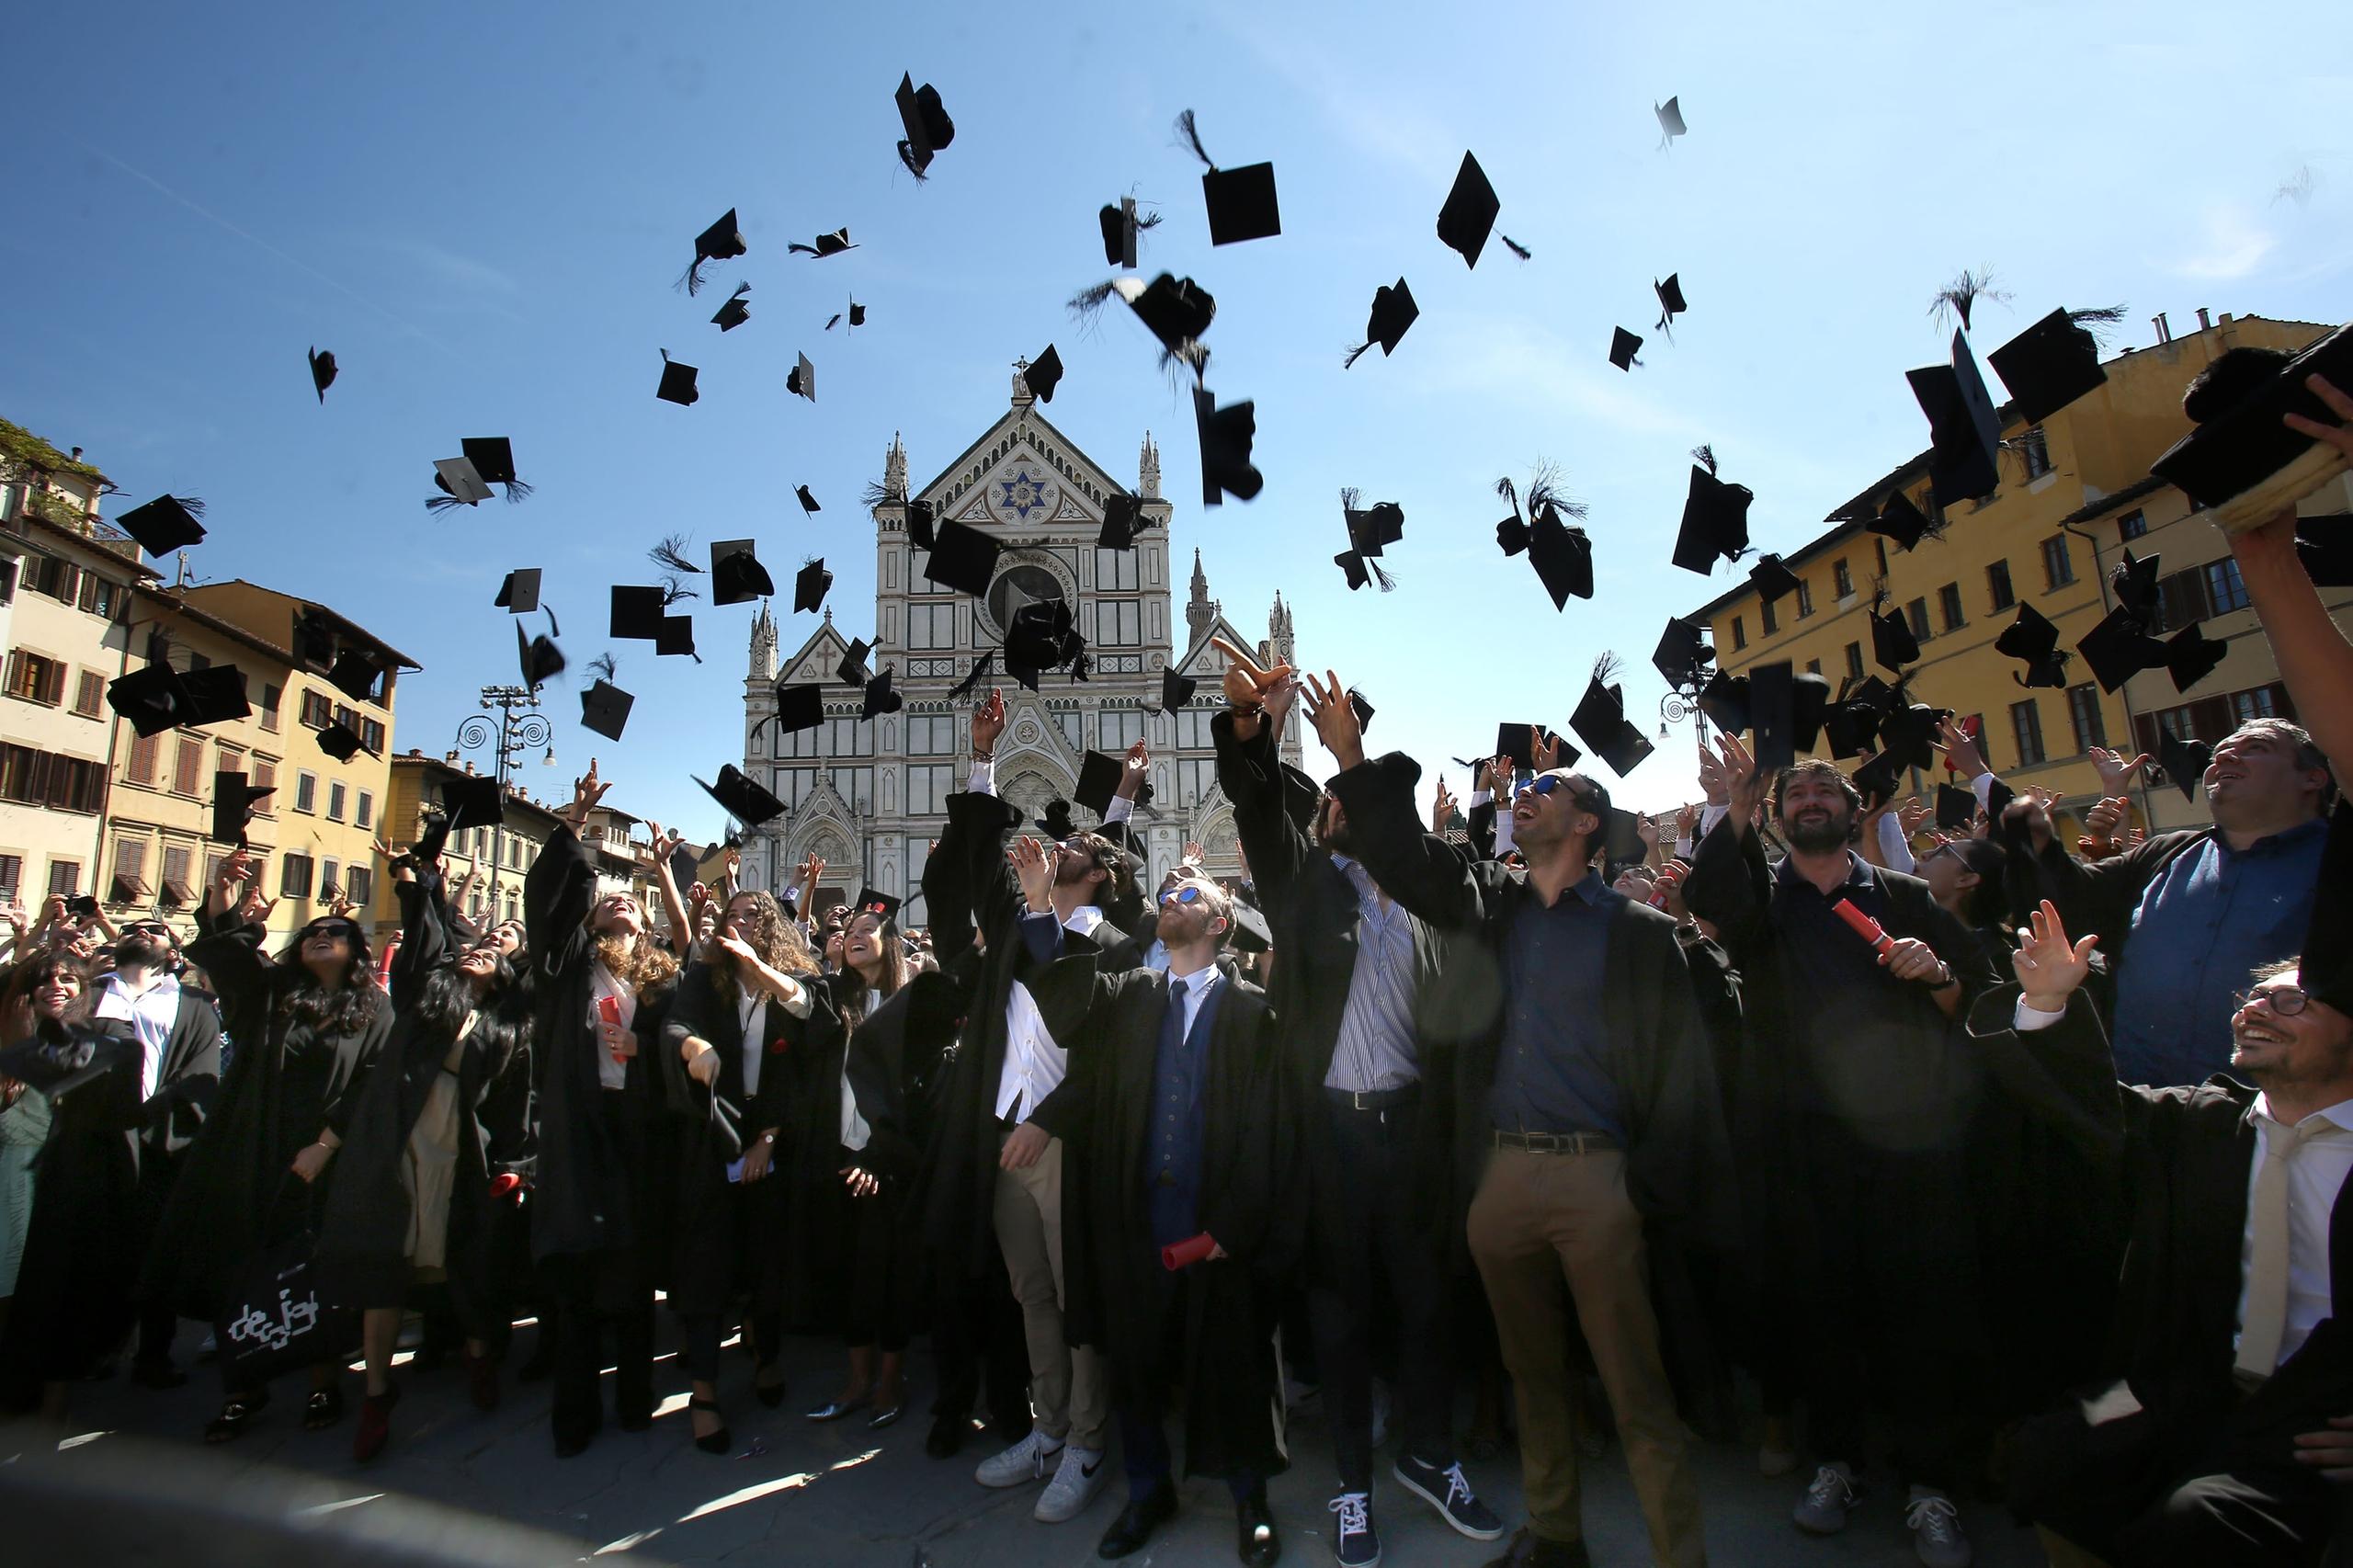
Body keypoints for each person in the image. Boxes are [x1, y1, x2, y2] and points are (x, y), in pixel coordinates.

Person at [1314, 672, 1728, 1568]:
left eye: (1548, 789)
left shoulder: (1640, 936)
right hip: (1498, 1175)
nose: (1525, 794)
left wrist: (1638, 1190)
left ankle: (1678, 1553)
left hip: (1596, 1176)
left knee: (1633, 1388)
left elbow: (1681, 1077)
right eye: (1522, 791)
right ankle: (1555, 1537)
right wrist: (1348, 757)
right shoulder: (1488, 910)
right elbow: (1408, 859)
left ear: (1586, 824)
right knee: (1530, 1374)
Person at [1209, 636, 1505, 1564]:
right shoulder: (1303, 892)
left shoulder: (1432, 890)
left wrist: (1349, 754)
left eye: (1352, 799)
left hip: (1412, 1133)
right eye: (1333, 802)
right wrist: (1254, 726)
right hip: (1329, 1134)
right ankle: (1349, 1480)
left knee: (1424, 1303)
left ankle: (1430, 1453)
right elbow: (1259, 807)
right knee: (1336, 1315)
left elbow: (1429, 862)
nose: (1335, 809)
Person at [1682, 737, 1997, 1567]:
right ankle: (1837, 1462)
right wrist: (1736, 807)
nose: (1811, 800)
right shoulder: (1765, 905)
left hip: (1905, 1143)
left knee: (1918, 1310)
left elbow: (1976, 998)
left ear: (1854, 814)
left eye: (1826, 790)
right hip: (1799, 1143)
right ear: (1782, 819)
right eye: (1796, 795)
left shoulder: (1905, 897)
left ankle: (1930, 1485)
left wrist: (1935, 976)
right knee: (1820, 1307)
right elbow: (1711, 898)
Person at [1969, 892, 2353, 1568]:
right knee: (2054, 1453)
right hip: (2183, 1388)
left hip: (2312, 1424)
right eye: (2252, 998)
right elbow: (2086, 1105)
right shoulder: (2199, 1125)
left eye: (2292, 1000)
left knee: (2200, 1524)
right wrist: (2049, 1003)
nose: (2255, 1008)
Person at [1006, 840, 1296, 1564]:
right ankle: (1147, 1491)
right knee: (1135, 1360)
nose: (1172, 898)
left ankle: (1249, 1499)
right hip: (1139, 1215)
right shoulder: (1134, 993)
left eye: (1190, 894)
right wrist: (1045, 902)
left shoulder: (1251, 1013)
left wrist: (1236, 1223)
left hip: (1215, 1221)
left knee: (1234, 1360)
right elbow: (1066, 1001)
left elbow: (1269, 1127)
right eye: (1167, 893)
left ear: (1222, 923)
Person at [922, 689, 1145, 1526]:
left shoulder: (1113, 945)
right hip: (1000, 1139)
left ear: (1101, 879)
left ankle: (1089, 1438)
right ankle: (1050, 1427)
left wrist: (1052, 904)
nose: (1064, 848)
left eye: (1081, 852)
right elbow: (970, 883)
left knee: (1077, 1295)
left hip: (1063, 1147)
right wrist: (982, 759)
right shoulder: (1022, 932)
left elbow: (1075, 1016)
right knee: (1032, 1296)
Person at [146, 850, 393, 1442]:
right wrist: (222, 898)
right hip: (250, 1149)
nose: (322, 935)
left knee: (314, 1273)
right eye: (313, 932)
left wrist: (326, 1145)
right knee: (243, 1268)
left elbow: (374, 1082)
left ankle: (321, 1381)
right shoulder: (271, 994)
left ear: (358, 951)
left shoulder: (374, 1009)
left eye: (335, 932)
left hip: (322, 1160)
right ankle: (243, 1388)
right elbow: (228, 963)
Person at [317, 838, 532, 1461]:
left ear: (506, 978)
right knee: (385, 1268)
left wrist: (516, 1166)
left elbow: (513, 1105)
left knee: (461, 1266)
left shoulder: (509, 1029)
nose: (484, 948)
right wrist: (418, 880)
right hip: (395, 1145)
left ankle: (478, 1356)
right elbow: (425, 941)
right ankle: (378, 1392)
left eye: (496, 951)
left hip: (459, 1152)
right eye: (480, 945)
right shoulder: (427, 1000)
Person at [2006, 718, 2329, 1087]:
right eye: (2220, 752)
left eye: (2255, 748)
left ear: (2312, 778)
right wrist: (2038, 846)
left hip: (2281, 1114)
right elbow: (2069, 907)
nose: (2224, 756)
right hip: (2139, 1103)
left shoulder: (2339, 864)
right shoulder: (2166, 854)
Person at [524, 759, 680, 1458]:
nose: (621, 907)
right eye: (609, 904)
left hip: (639, 1133)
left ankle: (636, 1396)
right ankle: (573, 1410)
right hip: (581, 1134)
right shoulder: (567, 972)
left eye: (631, 906)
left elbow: (687, 1043)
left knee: (635, 1269)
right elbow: (547, 915)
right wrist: (573, 829)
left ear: (647, 926)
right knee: (580, 1280)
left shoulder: (659, 984)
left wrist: (647, 1055)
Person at [661, 887, 831, 1455]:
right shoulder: (705, 979)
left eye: (751, 915)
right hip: (714, 1131)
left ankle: (764, 1352)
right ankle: (704, 1393)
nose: (737, 923)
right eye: (730, 916)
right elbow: (677, 1027)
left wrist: (769, 1138)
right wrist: (694, 1049)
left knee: (767, 1255)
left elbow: (809, 1045)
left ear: (772, 927)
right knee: (707, 1261)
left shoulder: (788, 983)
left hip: (770, 1133)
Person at [0, 949, 142, 1421]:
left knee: (58, 1293)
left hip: (69, 1184)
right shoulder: (8, 1042)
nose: (56, 986)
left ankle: (53, 1401)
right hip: (11, 1181)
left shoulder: (106, 1037)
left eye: (68, 979)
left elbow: (122, 1101)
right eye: (44, 979)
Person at [87, 915, 222, 1390]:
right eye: (134, 927)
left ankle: (153, 1354)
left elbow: (203, 1070)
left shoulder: (195, 1004)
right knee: (94, 1248)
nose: (145, 931)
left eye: (158, 929)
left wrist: (162, 1122)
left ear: (173, 950)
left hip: (160, 1143)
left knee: (157, 1253)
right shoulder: (89, 989)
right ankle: (95, 1347)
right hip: (93, 1138)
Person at [802, 896, 918, 1430]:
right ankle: (856, 1379)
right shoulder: (833, 997)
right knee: (849, 1269)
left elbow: (916, 1090)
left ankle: (889, 1379)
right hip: (842, 1156)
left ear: (889, 941)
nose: (855, 932)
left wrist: (880, 1155)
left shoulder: (910, 1003)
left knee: (891, 1271)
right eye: (850, 927)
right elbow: (792, 996)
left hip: (890, 1160)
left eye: (869, 927)